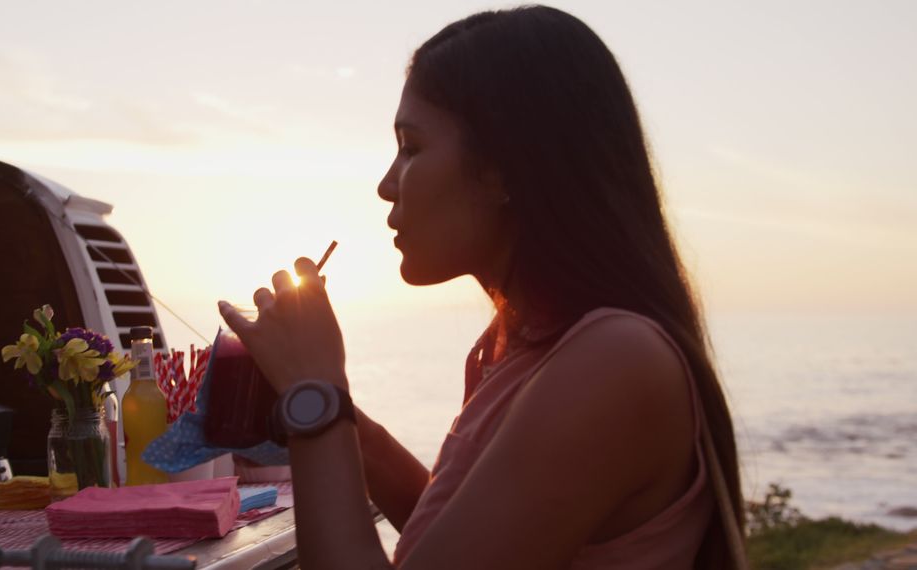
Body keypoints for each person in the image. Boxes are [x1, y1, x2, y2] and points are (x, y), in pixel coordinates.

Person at [218, 5, 745, 569]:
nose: (386, 185)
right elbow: (462, 536)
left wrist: (313, 395)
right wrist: (339, 415)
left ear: (502, 168)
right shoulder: (514, 349)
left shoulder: (615, 361)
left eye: (411, 147)